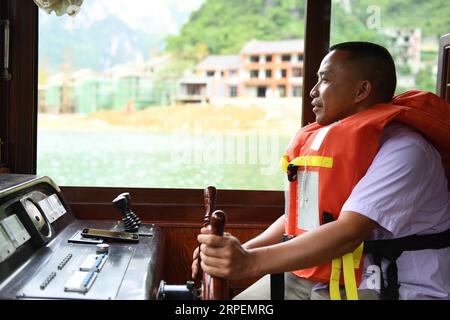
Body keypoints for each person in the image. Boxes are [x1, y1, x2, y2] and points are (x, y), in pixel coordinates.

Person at [192, 42, 450, 300]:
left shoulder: (407, 151)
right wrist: (228, 257)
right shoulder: (333, 144)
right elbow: (296, 218)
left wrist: (247, 262)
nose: (313, 92)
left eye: (324, 80)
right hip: (319, 275)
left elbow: (349, 233)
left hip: (384, 285)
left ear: (361, 90)